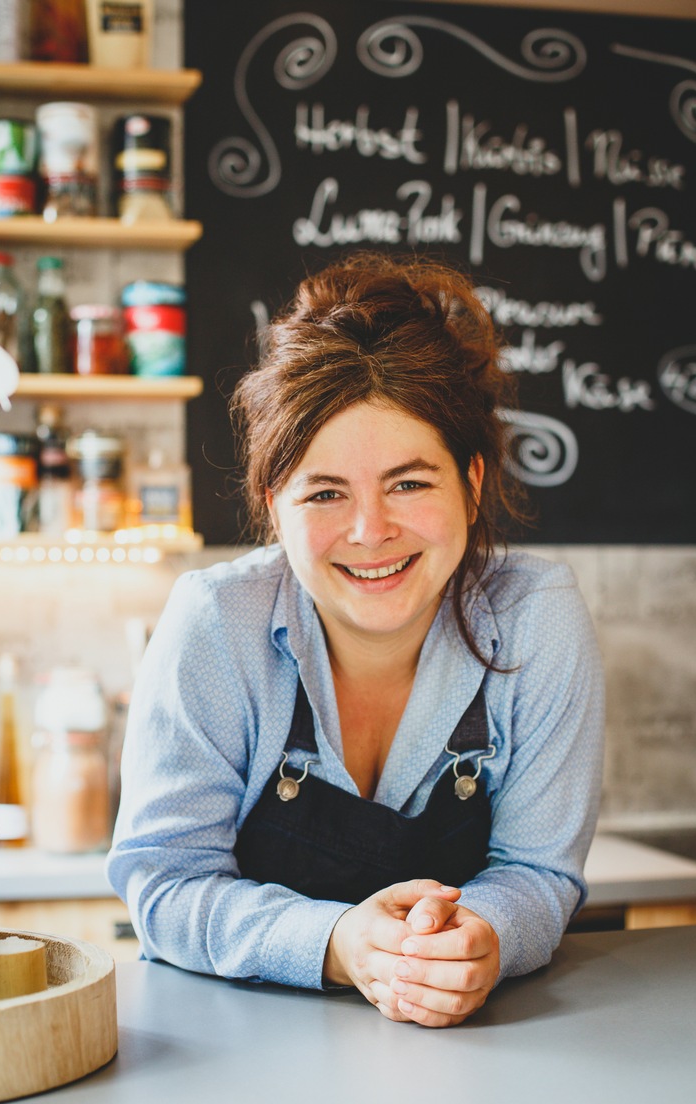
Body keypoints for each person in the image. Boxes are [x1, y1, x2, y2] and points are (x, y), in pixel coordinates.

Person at [107, 252, 604, 1028]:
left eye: (409, 482)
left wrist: (488, 936)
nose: (371, 532)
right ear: (275, 506)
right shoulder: (215, 621)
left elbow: (539, 872)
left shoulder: (537, 619)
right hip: (233, 1066)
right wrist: (339, 942)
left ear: (471, 484)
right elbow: (165, 884)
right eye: (326, 492)